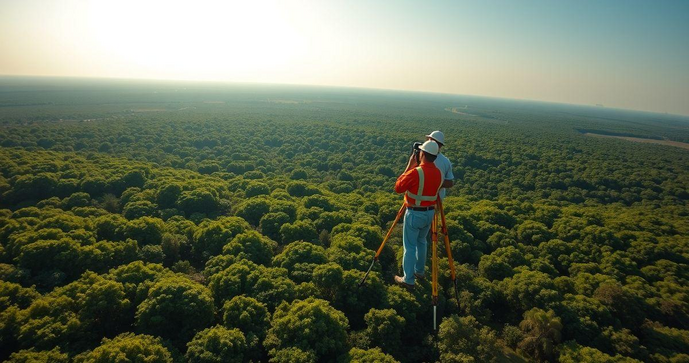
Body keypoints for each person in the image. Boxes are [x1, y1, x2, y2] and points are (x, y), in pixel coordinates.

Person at [393, 140, 443, 288]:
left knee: (409, 246)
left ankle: (408, 279)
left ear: (422, 154)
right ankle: (420, 271)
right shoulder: (439, 173)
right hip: (430, 214)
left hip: (415, 213)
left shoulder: (416, 172)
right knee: (422, 242)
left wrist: (409, 165)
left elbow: (398, 187)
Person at [426, 130, 454, 199]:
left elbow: (450, 182)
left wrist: (433, 183)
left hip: (435, 199)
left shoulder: (445, 161)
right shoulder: (445, 161)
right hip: (424, 199)